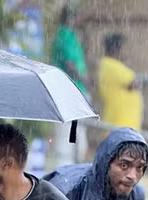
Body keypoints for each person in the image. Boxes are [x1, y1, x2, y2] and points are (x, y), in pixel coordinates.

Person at [51, 4, 89, 165]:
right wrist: (85, 79)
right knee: (68, 139)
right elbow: (70, 63)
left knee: (76, 139)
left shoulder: (69, 35)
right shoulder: (65, 35)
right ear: (73, 17)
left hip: (74, 93)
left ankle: (71, 171)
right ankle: (65, 175)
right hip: (69, 94)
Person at [97, 33, 143, 130]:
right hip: (120, 124)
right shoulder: (110, 65)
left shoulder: (112, 65)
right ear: (116, 49)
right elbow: (134, 83)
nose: (127, 52)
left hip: (124, 125)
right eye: (124, 49)